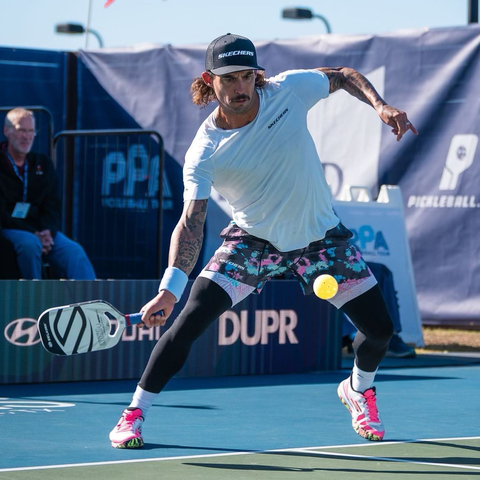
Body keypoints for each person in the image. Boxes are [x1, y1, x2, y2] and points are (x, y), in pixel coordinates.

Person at [109, 33, 418, 449]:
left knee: (380, 331)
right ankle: (133, 414)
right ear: (209, 80)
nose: (240, 88)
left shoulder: (288, 90)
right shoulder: (205, 150)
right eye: (229, 79)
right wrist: (169, 289)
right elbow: (191, 223)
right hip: (252, 244)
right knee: (188, 322)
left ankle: (358, 390)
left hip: (322, 239)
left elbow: (343, 75)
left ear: (258, 75)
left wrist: (380, 106)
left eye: (246, 77)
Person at [0, 108, 96, 280]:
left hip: (41, 232)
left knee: (74, 252)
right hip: (10, 229)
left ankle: (93, 303)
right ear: (7, 131)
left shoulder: (42, 164)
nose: (27, 136)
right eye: (21, 130)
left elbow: (52, 205)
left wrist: (48, 232)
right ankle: (36, 301)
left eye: (31, 131)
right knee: (30, 245)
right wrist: (34, 234)